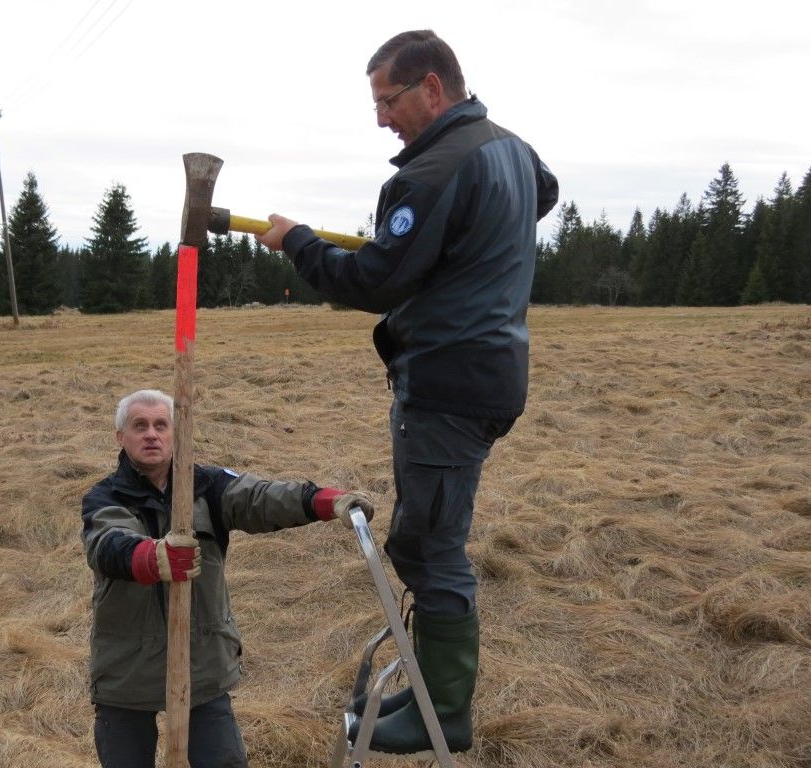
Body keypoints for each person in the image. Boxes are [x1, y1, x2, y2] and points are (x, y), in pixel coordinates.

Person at [256, 30, 559, 755]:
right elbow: (543, 194)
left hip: (450, 380)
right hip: (483, 371)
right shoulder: (507, 147)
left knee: (428, 547)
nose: (380, 118)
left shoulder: (432, 172)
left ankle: (441, 713)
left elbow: (373, 282)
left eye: (386, 100)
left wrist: (297, 242)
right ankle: (427, 691)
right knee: (424, 539)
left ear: (431, 87)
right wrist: (469, 248)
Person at [81, 388, 374, 768]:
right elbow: (107, 544)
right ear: (121, 437)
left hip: (202, 666)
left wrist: (323, 501)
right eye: (139, 426)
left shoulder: (209, 486)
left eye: (160, 425)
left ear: (177, 433)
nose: (151, 434)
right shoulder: (104, 497)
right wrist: (153, 558)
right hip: (126, 671)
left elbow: (261, 497)